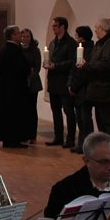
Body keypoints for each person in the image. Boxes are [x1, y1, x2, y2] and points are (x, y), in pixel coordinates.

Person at [75, 18, 110, 141]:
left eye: (96, 28)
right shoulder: (99, 44)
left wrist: (87, 65)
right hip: (98, 92)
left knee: (109, 124)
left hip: (108, 91)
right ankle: (104, 150)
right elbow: (93, 62)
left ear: (102, 28)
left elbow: (107, 64)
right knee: (101, 123)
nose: (95, 31)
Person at [0, 25, 32, 148]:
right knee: (13, 115)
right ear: (12, 35)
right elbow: (19, 68)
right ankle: (12, 139)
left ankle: (11, 138)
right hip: (13, 89)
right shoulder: (11, 49)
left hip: (9, 89)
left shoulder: (8, 48)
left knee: (10, 114)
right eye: (18, 33)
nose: (20, 35)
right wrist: (28, 69)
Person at [43, 17, 77, 148]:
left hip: (64, 81)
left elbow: (72, 62)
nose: (53, 28)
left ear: (63, 27)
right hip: (53, 82)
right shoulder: (52, 43)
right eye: (52, 26)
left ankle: (70, 139)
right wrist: (46, 64)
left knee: (69, 111)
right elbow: (49, 58)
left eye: (55, 26)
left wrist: (56, 66)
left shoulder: (71, 43)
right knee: (55, 111)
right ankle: (58, 137)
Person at [67, 26, 94, 153]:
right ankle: (82, 144)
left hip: (84, 90)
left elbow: (82, 72)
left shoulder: (88, 50)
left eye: (76, 35)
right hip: (79, 90)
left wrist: (73, 86)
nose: (75, 37)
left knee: (85, 119)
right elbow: (74, 69)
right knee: (81, 119)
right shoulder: (80, 49)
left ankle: (87, 146)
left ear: (81, 37)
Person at [21, 28, 43, 144]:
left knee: (31, 110)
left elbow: (37, 67)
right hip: (21, 83)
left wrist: (30, 76)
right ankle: (23, 134)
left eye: (27, 36)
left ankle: (32, 135)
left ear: (31, 37)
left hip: (33, 84)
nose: (25, 38)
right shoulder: (18, 49)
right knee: (22, 110)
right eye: (23, 36)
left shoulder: (35, 50)